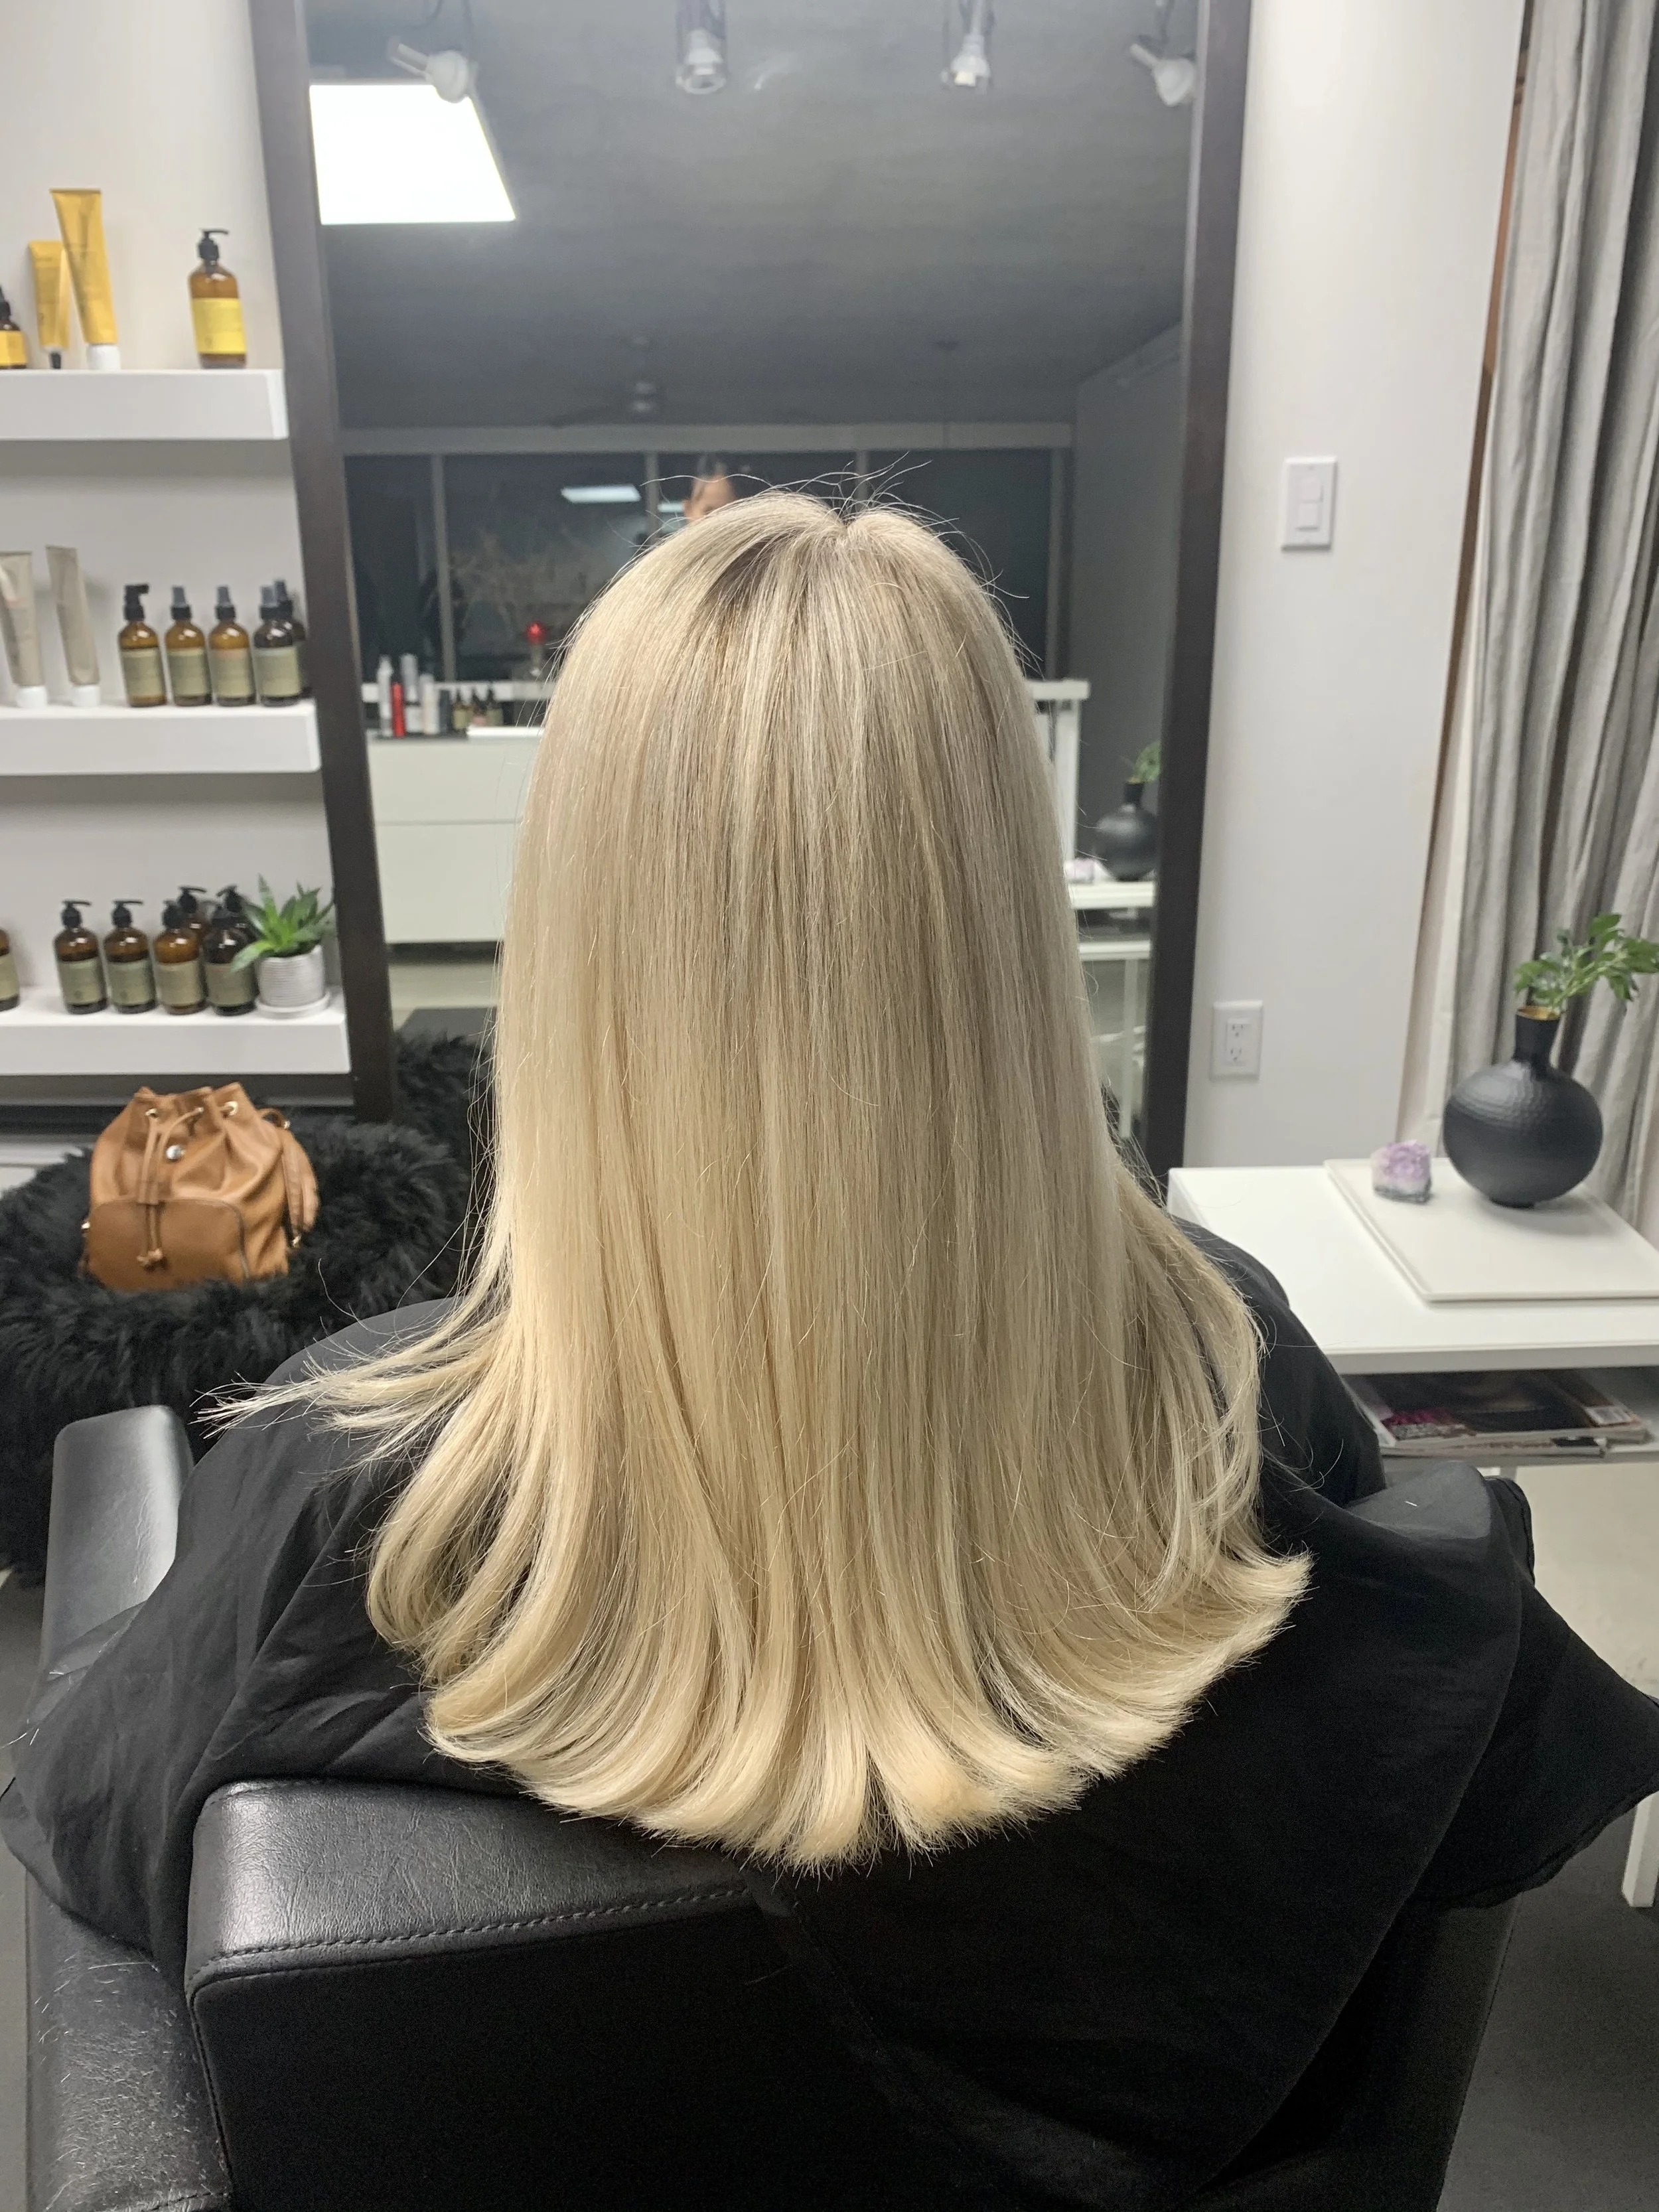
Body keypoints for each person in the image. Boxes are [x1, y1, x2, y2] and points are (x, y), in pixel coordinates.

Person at [6, 495, 1658, 2209]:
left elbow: (99, 1829)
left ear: (574, 951)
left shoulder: (343, 1488)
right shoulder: (1234, 1380)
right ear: (1002, 929)